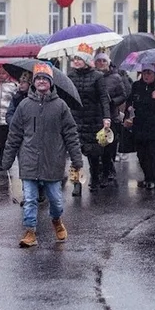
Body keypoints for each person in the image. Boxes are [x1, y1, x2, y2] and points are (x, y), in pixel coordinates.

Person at [0, 62, 82, 248]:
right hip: (29, 159)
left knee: (55, 200)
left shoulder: (61, 106)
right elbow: (14, 135)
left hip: (53, 160)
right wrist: (7, 160)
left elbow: (71, 134)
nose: (41, 82)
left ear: (51, 83)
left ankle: (56, 220)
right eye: (38, 79)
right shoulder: (24, 106)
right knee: (29, 199)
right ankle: (30, 232)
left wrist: (77, 159)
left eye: (45, 79)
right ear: (33, 82)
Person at [67, 43, 111, 196]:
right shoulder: (70, 76)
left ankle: (95, 178)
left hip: (93, 120)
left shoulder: (98, 77)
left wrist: (107, 117)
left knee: (94, 154)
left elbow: (104, 98)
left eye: (79, 58)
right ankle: (76, 184)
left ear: (86, 60)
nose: (76, 61)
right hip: (75, 120)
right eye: (75, 58)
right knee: (75, 154)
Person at [94, 52, 130, 187]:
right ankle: (101, 172)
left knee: (109, 147)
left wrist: (112, 101)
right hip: (97, 117)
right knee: (98, 147)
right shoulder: (94, 77)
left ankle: (109, 171)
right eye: (98, 61)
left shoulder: (116, 77)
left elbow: (123, 95)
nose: (101, 63)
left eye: (104, 61)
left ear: (108, 63)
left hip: (112, 116)